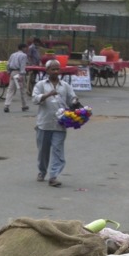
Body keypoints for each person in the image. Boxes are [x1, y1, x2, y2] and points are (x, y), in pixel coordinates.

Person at [32, 59, 80, 187]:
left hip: (60, 124)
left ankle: (53, 176)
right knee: (43, 151)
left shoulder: (65, 86)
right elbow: (35, 99)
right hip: (44, 124)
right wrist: (47, 94)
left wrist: (75, 101)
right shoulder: (41, 85)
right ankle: (42, 171)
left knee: (58, 150)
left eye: (57, 69)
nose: (55, 71)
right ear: (47, 71)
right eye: (52, 69)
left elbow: (72, 98)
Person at [3, 43, 30, 113]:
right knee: (22, 90)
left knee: (11, 89)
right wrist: (22, 74)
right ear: (23, 48)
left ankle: (6, 105)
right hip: (19, 73)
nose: (27, 49)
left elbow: (8, 64)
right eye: (26, 48)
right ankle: (24, 105)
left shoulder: (13, 54)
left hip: (12, 72)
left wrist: (8, 71)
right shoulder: (24, 55)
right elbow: (23, 66)